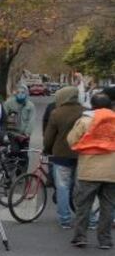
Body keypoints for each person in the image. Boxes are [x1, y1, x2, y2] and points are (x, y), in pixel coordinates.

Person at [67, 93, 115, 250]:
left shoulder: (85, 121)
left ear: (92, 105)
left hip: (88, 170)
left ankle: (80, 237)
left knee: (83, 205)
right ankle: (105, 240)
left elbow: (71, 140)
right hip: (111, 171)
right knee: (108, 207)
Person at [44, 86, 84, 228]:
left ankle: (65, 219)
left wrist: (47, 150)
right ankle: (85, 217)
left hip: (61, 155)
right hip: (81, 155)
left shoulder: (56, 113)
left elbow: (49, 137)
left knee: (63, 187)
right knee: (81, 188)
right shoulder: (85, 112)